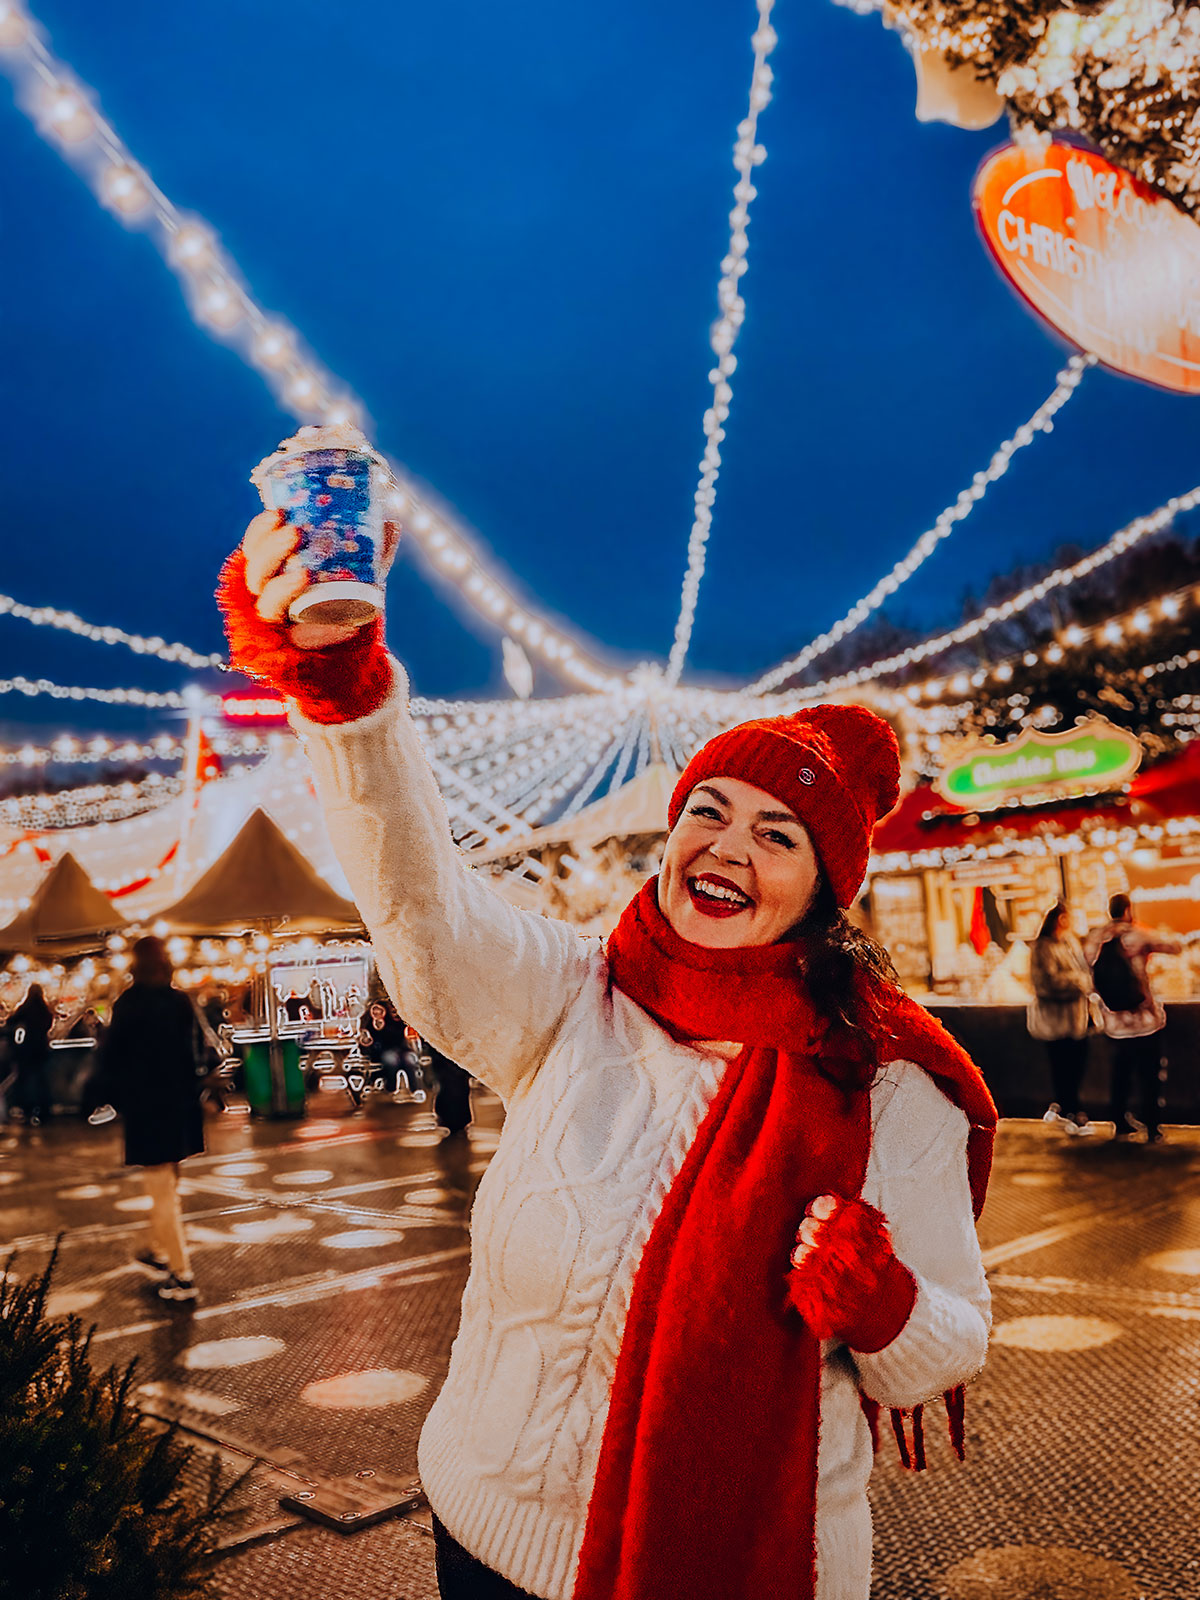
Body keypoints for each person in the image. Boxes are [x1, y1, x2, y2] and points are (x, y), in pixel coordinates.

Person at [218, 513, 997, 1600]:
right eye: (708, 812)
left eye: (777, 835)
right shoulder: (579, 991)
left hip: (743, 1563)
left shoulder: (887, 1079)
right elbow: (422, 909)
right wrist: (343, 692)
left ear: (823, 890)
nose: (726, 846)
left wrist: (884, 1305)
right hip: (486, 1539)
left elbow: (953, 1341)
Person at [97, 935, 205, 1301]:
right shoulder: (179, 1000)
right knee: (167, 1184)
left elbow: (112, 1057)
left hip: (147, 1107)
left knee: (161, 1190)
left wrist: (108, 1098)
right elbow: (193, 1051)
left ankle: (181, 1273)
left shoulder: (129, 1004)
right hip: (180, 1103)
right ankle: (151, 1246)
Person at [1085, 892, 1183, 1143]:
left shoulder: (1096, 937)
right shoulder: (1137, 934)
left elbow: (1085, 968)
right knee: (1149, 1074)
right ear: (1128, 910)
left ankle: (1119, 1122)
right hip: (1144, 1022)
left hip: (1114, 1023)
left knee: (1120, 1073)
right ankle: (1151, 1126)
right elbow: (1175, 946)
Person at [1027, 901, 1094, 1137]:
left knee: (1077, 1064)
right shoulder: (1042, 948)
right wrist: (1078, 983)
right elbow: (1046, 984)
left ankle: (1067, 1108)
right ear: (1060, 920)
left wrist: (1080, 981)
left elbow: (1085, 974)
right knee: (1063, 1068)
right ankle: (1072, 1111)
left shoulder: (1069, 943)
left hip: (1077, 1020)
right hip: (1056, 1022)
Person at [8, 982, 54, 1127]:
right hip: (41, 1048)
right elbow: (49, 1024)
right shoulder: (44, 1009)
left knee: (24, 1079)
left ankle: (26, 1109)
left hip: (27, 1049)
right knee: (41, 1079)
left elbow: (12, 1020)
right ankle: (44, 1109)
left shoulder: (26, 1007)